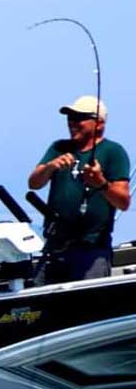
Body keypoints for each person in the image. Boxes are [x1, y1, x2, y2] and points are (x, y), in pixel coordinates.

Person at [27, 95, 130, 284]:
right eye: (70, 118)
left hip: (91, 250)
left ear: (99, 123)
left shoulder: (113, 152)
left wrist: (101, 183)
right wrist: (51, 166)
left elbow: (123, 202)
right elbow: (33, 183)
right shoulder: (59, 147)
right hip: (54, 247)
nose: (72, 123)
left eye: (79, 118)